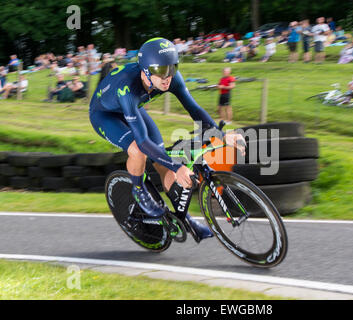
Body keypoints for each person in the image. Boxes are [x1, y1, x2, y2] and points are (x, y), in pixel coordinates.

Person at [89, 38, 245, 241]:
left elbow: (194, 109)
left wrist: (221, 135)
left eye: (172, 69)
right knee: (138, 150)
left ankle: (185, 220)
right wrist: (178, 167)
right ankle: (138, 190)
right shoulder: (127, 87)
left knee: (165, 162)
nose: (167, 77)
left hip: (133, 109)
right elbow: (143, 142)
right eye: (161, 71)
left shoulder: (171, 77)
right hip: (105, 114)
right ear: (145, 71)